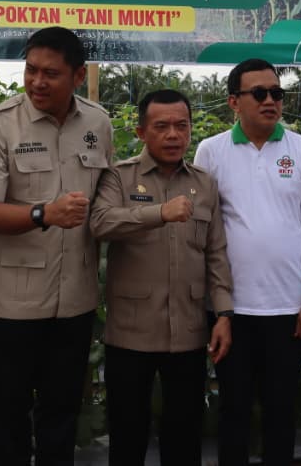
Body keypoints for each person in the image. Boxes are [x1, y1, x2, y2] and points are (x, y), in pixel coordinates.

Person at [0, 26, 113, 466]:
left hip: (76, 300)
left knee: (62, 412)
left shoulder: (98, 123)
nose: (37, 82)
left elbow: (105, 201)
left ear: (79, 76)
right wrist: (43, 213)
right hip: (13, 305)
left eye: (51, 73)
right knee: (10, 414)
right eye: (31, 70)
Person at [193, 58, 301, 466]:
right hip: (231, 309)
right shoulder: (211, 151)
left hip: (287, 309)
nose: (270, 101)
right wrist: (216, 307)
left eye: (276, 93)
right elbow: (202, 230)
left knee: (280, 411)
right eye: (259, 93)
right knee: (233, 410)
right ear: (234, 101)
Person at [90, 89, 234, 466]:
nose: (173, 135)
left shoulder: (204, 183)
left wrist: (223, 314)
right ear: (141, 132)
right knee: (128, 434)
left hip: (188, 330)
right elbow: (100, 222)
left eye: (181, 126)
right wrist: (158, 213)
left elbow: (216, 253)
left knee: (184, 434)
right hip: (131, 332)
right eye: (162, 126)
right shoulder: (118, 177)